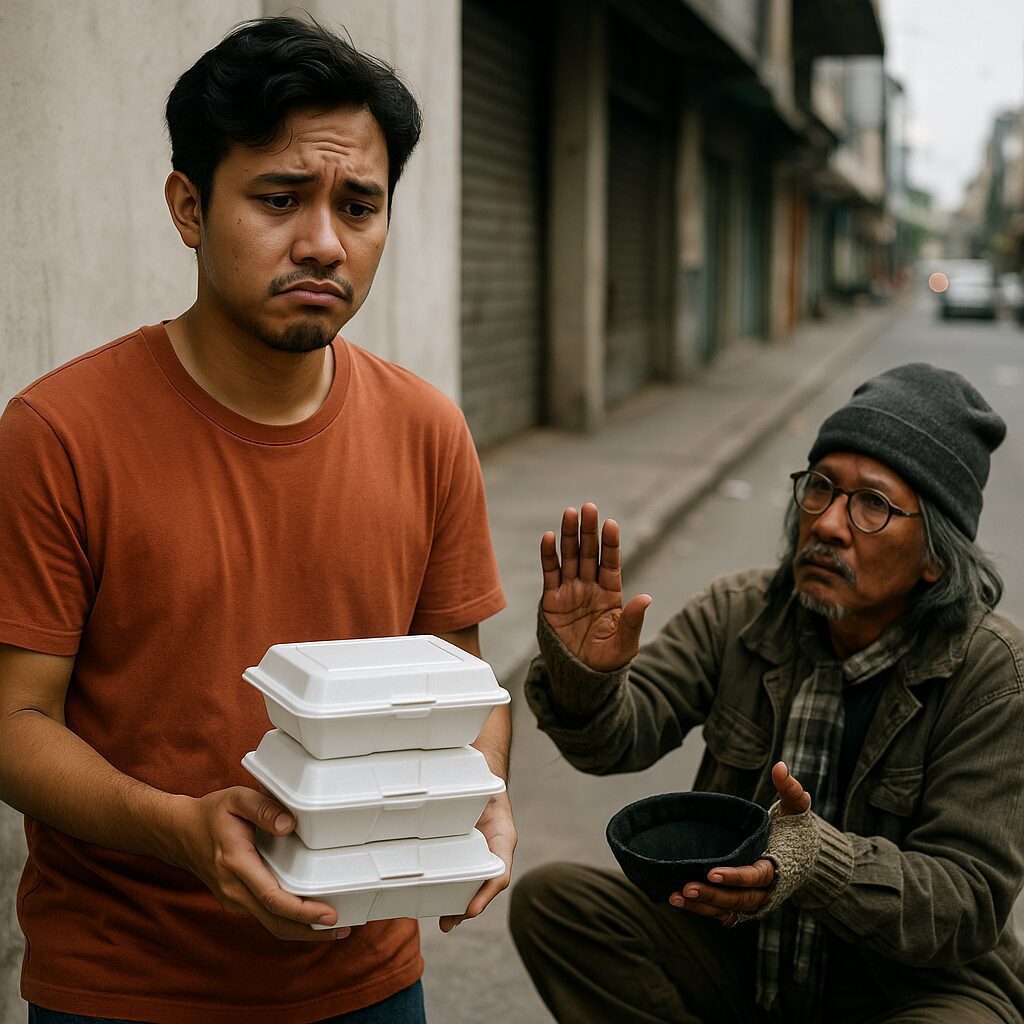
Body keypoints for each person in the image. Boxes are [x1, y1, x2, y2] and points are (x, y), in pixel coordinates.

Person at [0, 16, 514, 1024]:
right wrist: (183, 828)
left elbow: (464, 683)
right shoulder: (58, 433)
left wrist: (478, 791)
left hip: (366, 979)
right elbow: (14, 722)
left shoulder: (426, 429)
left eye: (358, 205)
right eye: (279, 198)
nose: (323, 240)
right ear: (190, 207)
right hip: (124, 984)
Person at [510, 363, 1024, 1024]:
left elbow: (967, 902)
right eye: (821, 488)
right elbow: (617, 742)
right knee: (557, 905)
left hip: (903, 986)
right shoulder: (741, 610)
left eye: (873, 505)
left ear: (936, 557)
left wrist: (814, 861)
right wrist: (584, 674)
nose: (830, 524)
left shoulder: (990, 672)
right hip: (744, 957)